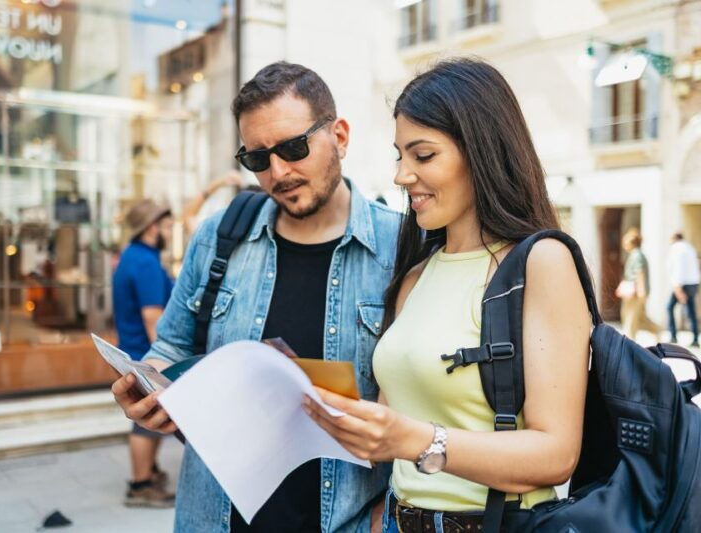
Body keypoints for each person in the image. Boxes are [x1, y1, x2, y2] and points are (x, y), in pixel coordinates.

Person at [303, 58, 591, 531]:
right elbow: (398, 421)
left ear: (481, 151)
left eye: (423, 156)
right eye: (400, 156)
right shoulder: (415, 275)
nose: (402, 176)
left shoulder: (541, 263)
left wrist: (416, 440)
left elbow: (556, 454)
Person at [111, 61, 400, 532]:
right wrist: (147, 389)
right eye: (258, 159)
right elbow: (171, 345)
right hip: (215, 517)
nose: (278, 172)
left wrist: (386, 514)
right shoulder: (218, 236)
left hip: (344, 519)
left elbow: (432, 403)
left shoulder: (400, 247)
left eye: (293, 148)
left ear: (340, 137)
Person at [112, 199, 175, 507]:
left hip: (133, 350)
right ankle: (140, 485)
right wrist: (164, 362)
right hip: (144, 353)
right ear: (152, 228)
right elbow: (153, 317)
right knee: (146, 421)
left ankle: (149, 472)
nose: (170, 232)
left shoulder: (133, 255)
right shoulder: (145, 262)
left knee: (150, 420)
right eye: (167, 226)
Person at [616, 228, 660, 341]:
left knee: (631, 319)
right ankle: (657, 330)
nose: (624, 244)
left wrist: (641, 292)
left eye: (626, 241)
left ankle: (630, 343)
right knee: (639, 318)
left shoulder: (637, 255)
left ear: (632, 242)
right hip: (633, 293)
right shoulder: (635, 254)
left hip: (635, 293)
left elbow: (640, 273)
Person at [666, 232, 700, 347]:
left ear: (674, 239)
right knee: (691, 310)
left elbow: (678, 268)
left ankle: (673, 336)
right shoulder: (690, 248)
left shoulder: (677, 248)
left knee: (669, 307)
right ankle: (695, 338)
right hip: (693, 283)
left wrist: (678, 288)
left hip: (682, 284)